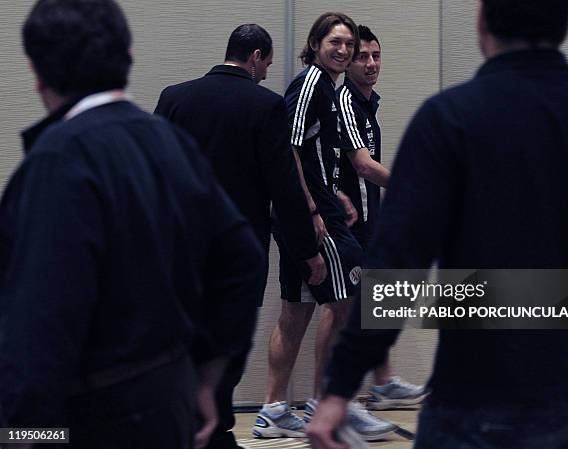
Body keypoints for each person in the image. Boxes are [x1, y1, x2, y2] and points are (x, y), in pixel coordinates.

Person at [308, 1, 568, 448]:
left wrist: (339, 388)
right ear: (566, 25)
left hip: (475, 395)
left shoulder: (449, 118)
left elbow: (399, 262)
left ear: (481, 22)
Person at [0, 1, 265, 448]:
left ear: (37, 70)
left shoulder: (58, 160)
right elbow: (243, 259)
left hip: (89, 417)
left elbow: (40, 333)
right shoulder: (169, 142)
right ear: (127, 55)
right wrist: (207, 376)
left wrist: (19, 436)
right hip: (170, 400)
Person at [155, 24, 326, 449]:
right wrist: (308, 253)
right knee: (225, 350)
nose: (267, 71)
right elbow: (284, 189)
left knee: (181, 344)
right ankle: (216, 433)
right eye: (267, 62)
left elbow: (156, 173)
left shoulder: (174, 98)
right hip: (237, 252)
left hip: (180, 251)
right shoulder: (265, 107)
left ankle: (181, 427)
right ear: (254, 56)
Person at [253, 12, 395, 442]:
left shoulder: (324, 87)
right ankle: (329, 402)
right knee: (348, 297)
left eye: (349, 45)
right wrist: (313, 209)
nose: (345, 51)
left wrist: (335, 194)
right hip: (312, 217)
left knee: (297, 309)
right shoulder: (312, 84)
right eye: (337, 43)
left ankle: (274, 409)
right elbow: (290, 148)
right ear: (315, 44)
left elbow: (314, 157)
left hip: (313, 209)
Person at [337, 24, 426, 410]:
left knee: (373, 298)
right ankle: (339, 395)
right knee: (339, 307)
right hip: (344, 220)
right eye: (362, 56)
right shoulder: (345, 100)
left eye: (376, 55)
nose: (371, 63)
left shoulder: (369, 104)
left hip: (369, 217)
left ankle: (382, 383)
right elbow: (364, 167)